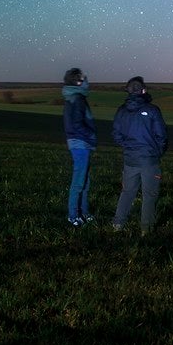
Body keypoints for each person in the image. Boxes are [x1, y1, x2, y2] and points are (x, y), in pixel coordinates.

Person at [111, 76, 169, 236]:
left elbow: (116, 135)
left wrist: (128, 147)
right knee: (149, 195)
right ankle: (146, 229)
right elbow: (162, 136)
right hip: (149, 160)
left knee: (127, 192)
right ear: (143, 91)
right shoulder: (152, 110)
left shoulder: (121, 111)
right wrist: (157, 152)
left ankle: (117, 224)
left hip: (130, 160)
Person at [62, 67, 97, 226]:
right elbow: (77, 123)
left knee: (85, 181)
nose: (86, 82)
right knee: (79, 182)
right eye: (83, 79)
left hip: (78, 143)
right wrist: (90, 134)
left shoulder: (72, 97)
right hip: (81, 143)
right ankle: (73, 216)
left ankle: (84, 212)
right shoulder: (78, 98)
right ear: (78, 82)